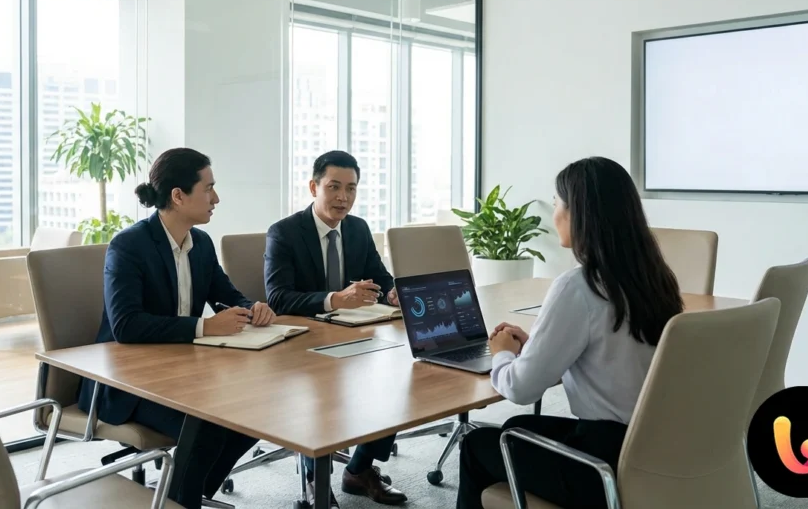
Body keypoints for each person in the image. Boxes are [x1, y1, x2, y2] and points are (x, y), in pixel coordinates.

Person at [456, 156, 685, 509]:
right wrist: (540, 350)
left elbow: (520, 387)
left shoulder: (578, 286)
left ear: (579, 213)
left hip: (603, 468)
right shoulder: (653, 279)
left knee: (476, 446)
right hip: (655, 451)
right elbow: (612, 355)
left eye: (556, 204)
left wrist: (502, 351)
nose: (554, 215)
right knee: (516, 427)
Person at [77, 147, 277, 509]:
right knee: (211, 423)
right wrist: (205, 327)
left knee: (253, 411)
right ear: (178, 196)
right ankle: (183, 499)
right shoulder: (129, 246)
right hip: (126, 382)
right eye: (209, 188)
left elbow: (226, 295)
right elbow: (126, 324)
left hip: (183, 374)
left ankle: (181, 497)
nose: (217, 198)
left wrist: (253, 309)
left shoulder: (201, 243)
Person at [264, 150, 406, 507]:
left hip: (353, 336)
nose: (343, 197)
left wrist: (392, 295)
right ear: (314, 187)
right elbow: (278, 297)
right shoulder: (284, 233)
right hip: (302, 343)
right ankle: (315, 481)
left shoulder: (357, 229)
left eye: (351, 189)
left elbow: (380, 277)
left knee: (400, 377)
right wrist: (333, 299)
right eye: (334, 187)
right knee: (321, 395)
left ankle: (358, 469)